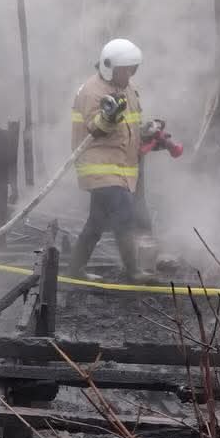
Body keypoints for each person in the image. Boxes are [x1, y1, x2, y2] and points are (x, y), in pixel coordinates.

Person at [67, 37, 151, 281]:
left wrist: (147, 133)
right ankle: (133, 270)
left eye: (133, 69)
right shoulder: (92, 92)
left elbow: (130, 126)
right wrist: (109, 116)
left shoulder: (127, 88)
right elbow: (96, 128)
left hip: (119, 166)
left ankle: (75, 269)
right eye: (126, 70)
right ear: (110, 67)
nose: (130, 74)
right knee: (124, 214)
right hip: (99, 167)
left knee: (97, 221)